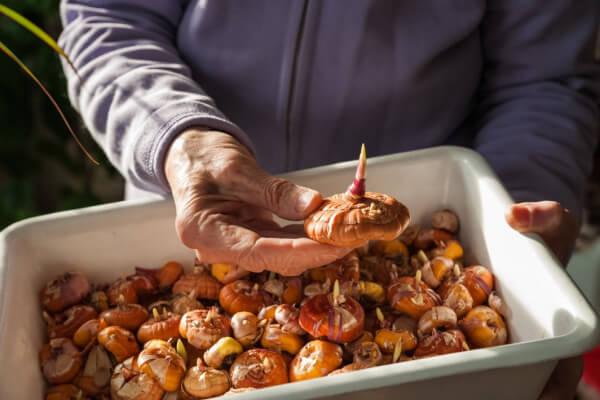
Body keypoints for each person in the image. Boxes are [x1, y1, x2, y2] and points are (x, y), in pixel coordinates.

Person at [58, 1, 599, 398]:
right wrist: (175, 137)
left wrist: (513, 211)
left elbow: (545, 78)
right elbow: (106, 19)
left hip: (427, 221)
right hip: (191, 205)